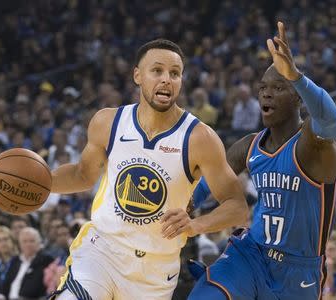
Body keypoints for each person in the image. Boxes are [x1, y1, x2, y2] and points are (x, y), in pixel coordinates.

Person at [49, 39, 249, 299]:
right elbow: (82, 175)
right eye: (157, 71)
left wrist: (195, 225)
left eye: (174, 73)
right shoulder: (108, 122)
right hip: (102, 252)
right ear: (138, 76)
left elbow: (237, 206)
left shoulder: (200, 138)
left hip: (155, 270)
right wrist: (42, 183)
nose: (167, 79)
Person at [189, 21, 336, 299]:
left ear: (298, 97)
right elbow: (211, 177)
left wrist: (295, 76)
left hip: (299, 272)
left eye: (278, 87)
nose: (267, 93)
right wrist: (187, 206)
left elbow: (331, 122)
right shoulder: (250, 146)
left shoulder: (312, 143)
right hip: (251, 254)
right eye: (262, 88)